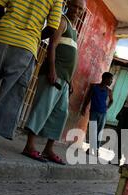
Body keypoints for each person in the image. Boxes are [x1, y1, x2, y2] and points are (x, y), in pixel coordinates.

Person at [0, 0, 64, 160]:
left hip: (0, 38)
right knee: (9, 97)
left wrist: (5, 24)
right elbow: (52, 27)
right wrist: (35, 35)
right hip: (25, 46)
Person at [22, 0, 86, 165]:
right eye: (74, 6)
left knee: (60, 114)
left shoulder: (74, 29)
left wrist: (70, 80)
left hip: (64, 79)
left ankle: (48, 149)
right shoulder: (62, 21)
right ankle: (29, 145)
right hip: (53, 75)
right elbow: (52, 46)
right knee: (42, 108)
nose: (76, 11)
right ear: (68, 5)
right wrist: (51, 70)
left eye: (80, 9)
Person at [81, 72, 114, 156]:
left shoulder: (109, 91)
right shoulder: (94, 87)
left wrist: (107, 107)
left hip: (103, 114)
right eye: (110, 79)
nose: (111, 81)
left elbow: (112, 101)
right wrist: (84, 107)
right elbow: (88, 97)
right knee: (93, 130)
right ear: (105, 78)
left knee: (99, 132)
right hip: (94, 112)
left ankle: (96, 149)